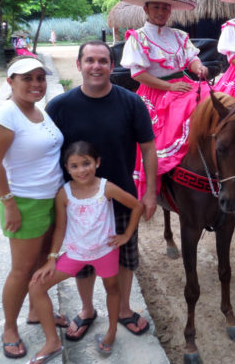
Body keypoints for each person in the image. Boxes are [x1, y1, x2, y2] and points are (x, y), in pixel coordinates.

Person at [46, 41, 157, 339]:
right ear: (79, 65)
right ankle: (86, 309)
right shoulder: (59, 107)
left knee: (125, 257)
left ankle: (123, 309)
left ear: (112, 65)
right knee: (83, 260)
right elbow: (46, 153)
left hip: (120, 195)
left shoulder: (132, 103)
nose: (96, 66)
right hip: (78, 201)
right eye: (90, 60)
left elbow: (148, 149)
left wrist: (150, 193)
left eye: (103, 61)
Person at [24, 141, 144, 364]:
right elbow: (60, 228)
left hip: (105, 253)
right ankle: (52, 342)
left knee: (112, 289)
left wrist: (125, 235)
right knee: (36, 286)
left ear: (97, 163)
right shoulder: (64, 193)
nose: (82, 170)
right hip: (75, 254)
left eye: (86, 163)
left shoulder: (106, 188)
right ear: (67, 169)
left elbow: (136, 206)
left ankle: (111, 332)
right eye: (75, 166)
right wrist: (51, 258)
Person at [0, 56, 68, 360]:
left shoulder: (37, 111)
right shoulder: (5, 116)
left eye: (40, 78)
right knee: (21, 271)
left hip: (49, 199)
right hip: (24, 201)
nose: (36, 84)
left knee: (43, 263)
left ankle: (36, 310)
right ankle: (9, 327)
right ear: (10, 82)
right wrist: (9, 204)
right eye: (27, 79)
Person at [118, 0, 210, 197]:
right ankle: (162, 173)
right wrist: (169, 86)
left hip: (182, 84)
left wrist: (200, 67)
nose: (161, 11)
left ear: (170, 10)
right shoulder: (138, 37)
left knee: (212, 99)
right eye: (156, 6)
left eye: (165, 7)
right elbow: (138, 74)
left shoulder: (179, 35)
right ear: (146, 9)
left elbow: (191, 60)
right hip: (155, 91)